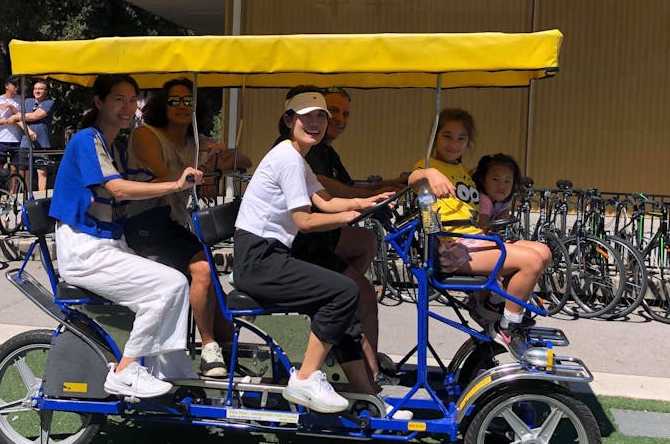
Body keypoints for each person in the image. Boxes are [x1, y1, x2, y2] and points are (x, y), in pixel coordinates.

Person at [233, 89, 412, 419]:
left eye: (320, 117)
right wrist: (348, 217)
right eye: (306, 117)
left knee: (346, 310)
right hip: (258, 260)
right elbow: (304, 220)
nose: (314, 123)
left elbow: (325, 201)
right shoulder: (287, 159)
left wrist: (365, 203)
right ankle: (304, 378)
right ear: (289, 120)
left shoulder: (297, 157)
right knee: (344, 292)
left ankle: (371, 401)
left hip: (270, 256)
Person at [49, 74, 204, 399]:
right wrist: (175, 185)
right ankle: (126, 370)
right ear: (99, 102)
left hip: (109, 245)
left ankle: (170, 364)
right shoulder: (86, 140)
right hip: (85, 250)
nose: (127, 106)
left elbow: (144, 181)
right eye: (119, 98)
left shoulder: (115, 148)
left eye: (132, 100)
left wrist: (189, 172)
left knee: (175, 281)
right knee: (170, 284)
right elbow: (118, 191)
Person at [291, 86, 449, 387]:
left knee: (366, 242)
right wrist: (366, 200)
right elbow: (328, 191)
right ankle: (370, 372)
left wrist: (391, 185)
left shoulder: (324, 149)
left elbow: (345, 186)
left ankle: (363, 352)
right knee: (361, 291)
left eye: (344, 114)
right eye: (332, 112)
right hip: (302, 245)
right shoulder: (297, 151)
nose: (338, 119)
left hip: (320, 239)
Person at [125, 78, 250, 378]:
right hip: (146, 223)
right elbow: (165, 174)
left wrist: (218, 157)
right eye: (174, 101)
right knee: (204, 270)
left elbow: (242, 160)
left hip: (174, 224)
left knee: (215, 289)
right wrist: (200, 168)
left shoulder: (197, 140)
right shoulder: (146, 135)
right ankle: (208, 348)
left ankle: (227, 350)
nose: (182, 107)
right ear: (161, 105)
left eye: (187, 101)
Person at [408, 108, 550, 358]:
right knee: (532, 261)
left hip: (472, 238)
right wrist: (428, 173)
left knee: (543, 251)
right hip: (450, 248)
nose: (454, 144)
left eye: (461, 138)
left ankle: (495, 304)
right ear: (435, 136)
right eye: (447, 136)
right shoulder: (428, 167)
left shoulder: (462, 171)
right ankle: (509, 323)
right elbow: (414, 179)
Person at [10, 79, 54, 192]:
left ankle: (41, 196)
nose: (37, 91)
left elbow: (35, 116)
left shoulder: (49, 103)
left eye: (40, 89)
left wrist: (18, 116)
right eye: (35, 88)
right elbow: (18, 119)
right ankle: (27, 196)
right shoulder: (26, 102)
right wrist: (28, 130)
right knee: (24, 172)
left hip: (42, 143)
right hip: (26, 143)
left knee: (42, 171)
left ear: (46, 91)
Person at [0, 76, 23, 170]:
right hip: (0, 140)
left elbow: (22, 117)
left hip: (17, 140)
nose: (17, 87)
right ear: (6, 86)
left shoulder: (21, 100)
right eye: (14, 84)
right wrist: (6, 121)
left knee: (14, 169)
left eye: (18, 85)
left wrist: (12, 108)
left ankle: (13, 185)